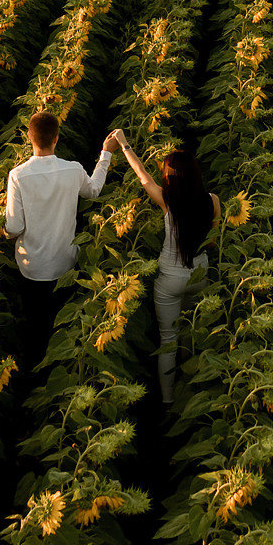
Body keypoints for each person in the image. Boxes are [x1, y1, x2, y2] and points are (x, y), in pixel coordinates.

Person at [1, 111, 118, 375]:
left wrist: (3, 231)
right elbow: (94, 190)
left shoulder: (18, 175)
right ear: (56, 138)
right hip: (65, 265)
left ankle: (34, 370)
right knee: (62, 323)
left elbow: (15, 227)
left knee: (36, 324)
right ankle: (60, 369)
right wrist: (106, 154)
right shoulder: (73, 170)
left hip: (32, 267)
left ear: (29, 137)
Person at [112, 131, 217, 403]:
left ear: (170, 178)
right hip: (199, 275)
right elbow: (213, 241)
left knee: (168, 341)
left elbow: (143, 176)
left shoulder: (167, 201)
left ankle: (168, 402)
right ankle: (193, 392)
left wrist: (124, 144)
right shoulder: (212, 201)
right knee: (193, 332)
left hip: (170, 279)